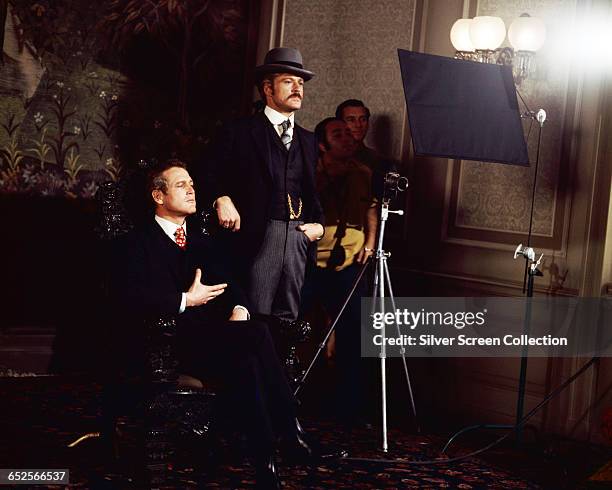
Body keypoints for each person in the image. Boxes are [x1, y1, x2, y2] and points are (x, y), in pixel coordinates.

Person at [111, 159, 325, 489]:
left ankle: (266, 453)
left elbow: (232, 283)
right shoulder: (136, 243)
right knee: (254, 341)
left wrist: (239, 306)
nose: (192, 189)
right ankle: (287, 432)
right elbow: (129, 299)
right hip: (164, 344)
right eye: (181, 185)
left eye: (193, 184)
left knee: (249, 348)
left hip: (210, 340)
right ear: (158, 196)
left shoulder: (201, 241)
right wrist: (186, 300)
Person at [206, 47, 324, 325]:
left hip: (298, 235)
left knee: (288, 317)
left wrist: (318, 225)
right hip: (258, 233)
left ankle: (277, 369)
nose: (298, 88)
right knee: (255, 313)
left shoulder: (308, 139)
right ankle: (252, 369)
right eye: (288, 81)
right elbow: (207, 173)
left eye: (301, 83)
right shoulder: (238, 131)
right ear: (267, 89)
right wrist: (221, 198)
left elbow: (311, 192)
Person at [301, 118, 376, 426]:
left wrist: (370, 243)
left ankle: (349, 409)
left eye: (349, 133)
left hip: (351, 264)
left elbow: (372, 208)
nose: (348, 138)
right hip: (310, 263)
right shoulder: (309, 173)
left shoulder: (364, 174)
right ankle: (299, 400)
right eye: (338, 134)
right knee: (301, 331)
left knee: (352, 335)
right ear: (322, 144)